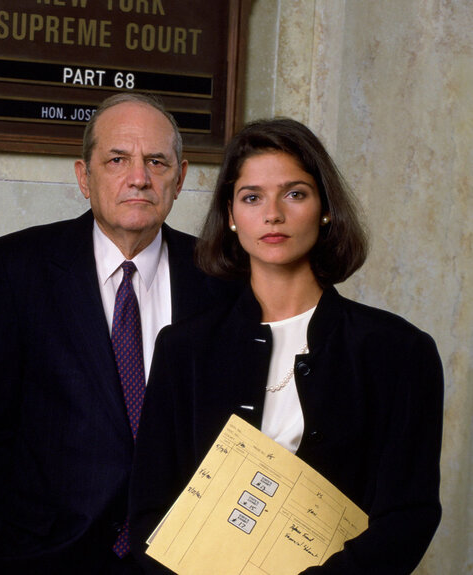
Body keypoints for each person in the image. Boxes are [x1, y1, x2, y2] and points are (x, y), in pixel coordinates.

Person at [129, 118, 443, 574]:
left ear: (325, 208)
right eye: (252, 197)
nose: (272, 213)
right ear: (232, 216)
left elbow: (408, 517)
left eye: (295, 193)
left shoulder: (398, 351)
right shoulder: (184, 349)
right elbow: (149, 515)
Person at [0, 92, 236, 574]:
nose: (139, 178)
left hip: (178, 558)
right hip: (43, 556)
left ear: (181, 178)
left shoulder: (220, 277)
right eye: (117, 160)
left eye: (156, 161)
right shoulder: (18, 266)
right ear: (84, 177)